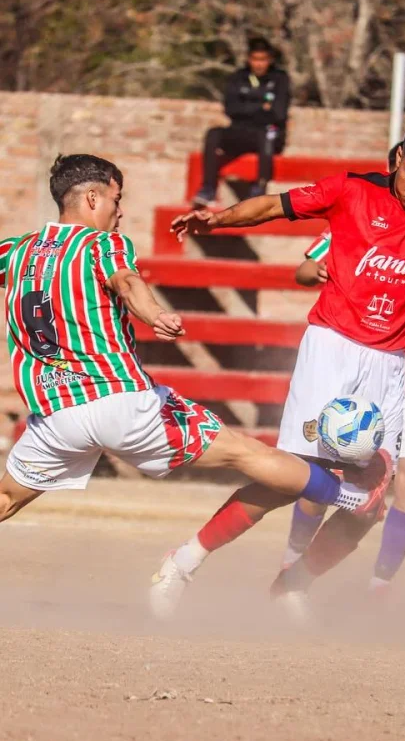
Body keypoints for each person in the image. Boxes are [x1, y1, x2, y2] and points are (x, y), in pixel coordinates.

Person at [0, 153, 380, 609]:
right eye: (117, 200)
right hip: (120, 405)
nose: (120, 212)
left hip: (56, 416)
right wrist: (155, 313)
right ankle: (351, 496)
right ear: (93, 197)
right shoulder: (101, 245)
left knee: (6, 496)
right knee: (246, 453)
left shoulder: (15, 251)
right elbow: (126, 281)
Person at [153, 117, 405, 620]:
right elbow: (275, 205)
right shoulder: (351, 190)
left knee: (371, 502)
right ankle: (183, 562)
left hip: (391, 366)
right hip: (332, 348)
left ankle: (293, 584)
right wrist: (218, 219)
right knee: (293, 478)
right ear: (398, 158)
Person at [280, 141, 405, 598]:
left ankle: (376, 591)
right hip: (365, 363)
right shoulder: (362, 220)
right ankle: (291, 561)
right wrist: (312, 273)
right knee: (325, 468)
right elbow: (308, 264)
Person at [193, 37, 291, 207]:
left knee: (267, 133)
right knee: (214, 134)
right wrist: (261, 107)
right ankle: (208, 188)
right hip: (241, 131)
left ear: (269, 60)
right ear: (249, 59)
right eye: (255, 59)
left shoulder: (279, 79)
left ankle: (259, 188)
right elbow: (230, 109)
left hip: (266, 135)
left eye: (263, 60)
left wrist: (248, 107)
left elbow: (278, 113)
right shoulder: (238, 77)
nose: (259, 64)